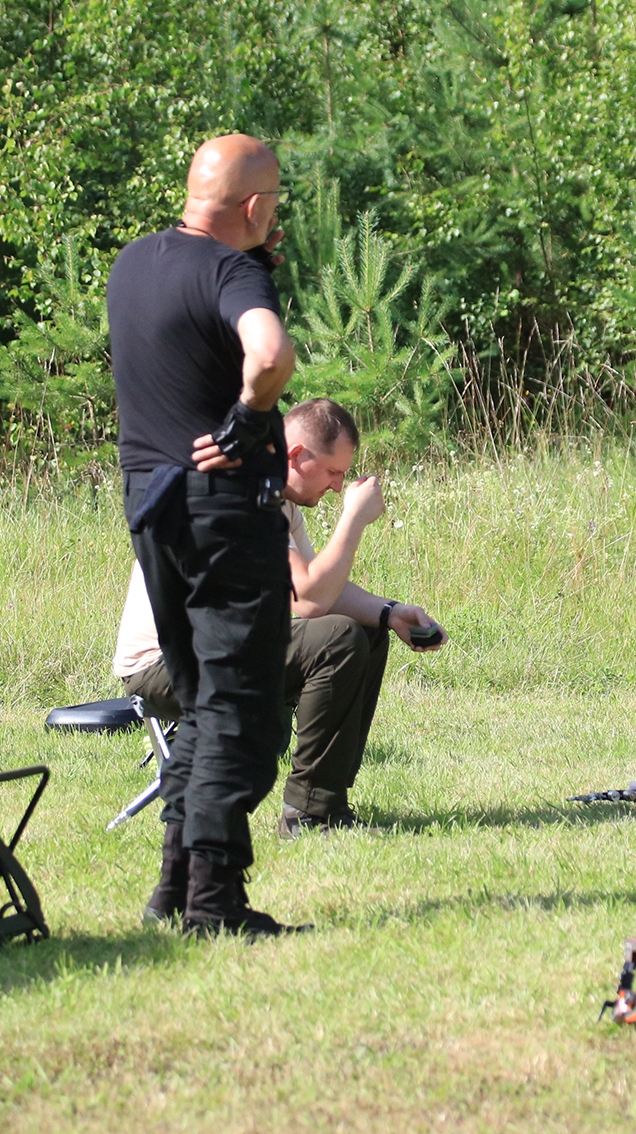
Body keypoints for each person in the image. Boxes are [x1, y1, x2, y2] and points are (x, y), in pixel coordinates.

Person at [108, 133, 304, 935]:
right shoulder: (233, 272)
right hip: (221, 512)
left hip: (150, 508)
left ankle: (174, 888)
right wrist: (247, 420)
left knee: (201, 703)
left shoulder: (132, 264)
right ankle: (215, 902)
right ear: (254, 206)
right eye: (274, 205)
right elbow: (270, 354)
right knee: (243, 712)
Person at [114, 398, 448, 866]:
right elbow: (309, 599)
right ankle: (309, 814)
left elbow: (316, 586)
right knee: (337, 639)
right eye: (333, 472)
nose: (337, 486)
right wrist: (353, 518)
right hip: (165, 666)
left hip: (217, 650)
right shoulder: (244, 491)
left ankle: (327, 801)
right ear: (296, 456)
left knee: (365, 630)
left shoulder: (277, 495)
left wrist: (389, 612)